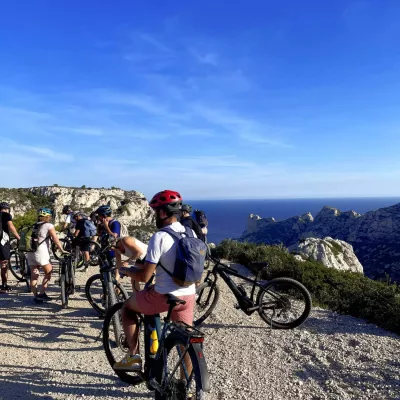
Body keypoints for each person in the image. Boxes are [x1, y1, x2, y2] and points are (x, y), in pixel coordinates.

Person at [114, 190, 196, 371]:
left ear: (163, 212)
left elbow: (144, 276)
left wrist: (127, 271)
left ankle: (133, 357)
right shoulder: (190, 233)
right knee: (186, 343)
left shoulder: (160, 237)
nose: (154, 216)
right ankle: (189, 391)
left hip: (164, 295)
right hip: (188, 296)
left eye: (155, 211)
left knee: (127, 307)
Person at [26, 208, 67, 302]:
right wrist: (61, 249)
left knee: (34, 275)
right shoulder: (49, 225)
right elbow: (55, 238)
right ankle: (42, 293)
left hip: (30, 252)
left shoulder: (33, 225)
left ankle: (36, 296)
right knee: (48, 272)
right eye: (49, 216)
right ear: (47, 216)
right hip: (41, 252)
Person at [0, 202, 20, 291]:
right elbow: (11, 227)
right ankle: (4, 285)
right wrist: (18, 237)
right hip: (3, 242)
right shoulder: (6, 215)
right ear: (7, 209)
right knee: (4, 264)